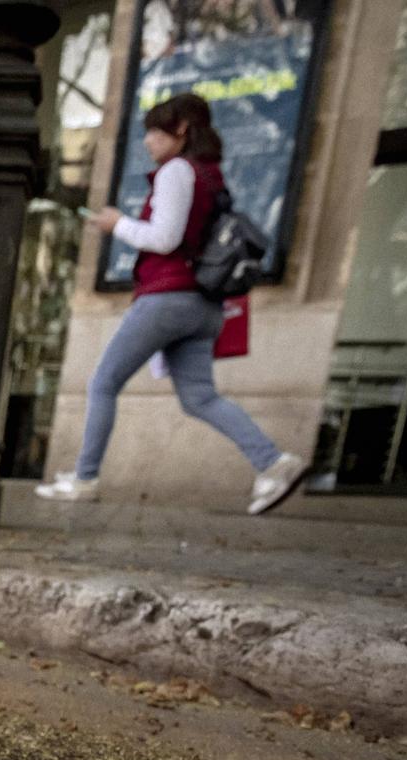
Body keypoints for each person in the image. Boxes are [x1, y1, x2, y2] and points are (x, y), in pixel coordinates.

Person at [39, 93, 307, 516]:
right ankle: (273, 462)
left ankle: (84, 478)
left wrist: (117, 224)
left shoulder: (177, 171)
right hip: (204, 307)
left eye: (154, 131)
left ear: (181, 129)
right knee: (199, 397)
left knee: (103, 382)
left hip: (168, 298)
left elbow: (165, 238)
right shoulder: (209, 175)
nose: (147, 141)